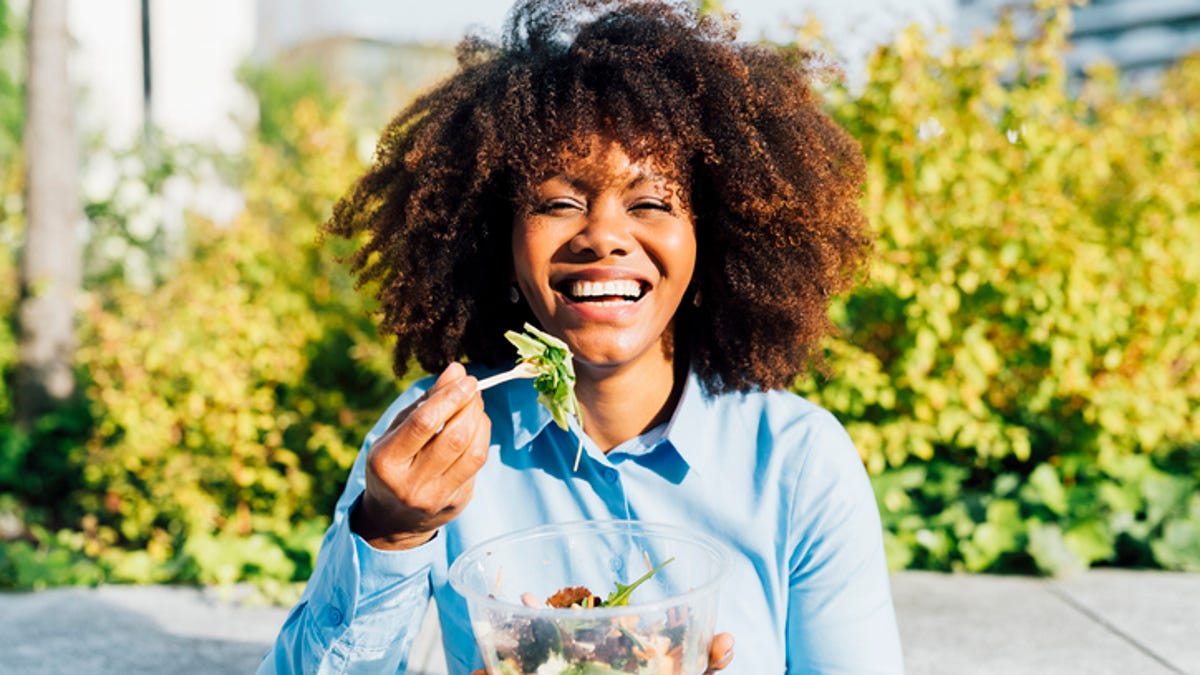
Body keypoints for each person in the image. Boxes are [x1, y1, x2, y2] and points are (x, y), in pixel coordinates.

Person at [260, 0, 903, 672]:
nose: (603, 236)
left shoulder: (797, 465)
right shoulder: (435, 443)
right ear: (498, 244)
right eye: (559, 202)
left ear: (710, 244)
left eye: (651, 202)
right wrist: (390, 532)